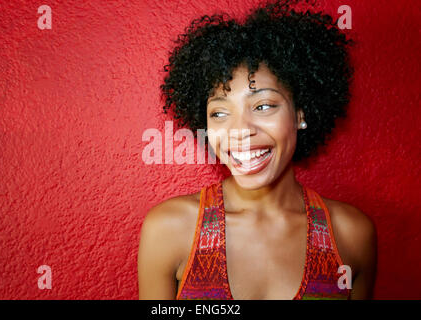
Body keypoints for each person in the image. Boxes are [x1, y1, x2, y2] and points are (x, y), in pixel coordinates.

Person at [138, 0, 377, 300]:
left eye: (263, 106)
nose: (240, 130)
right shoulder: (169, 229)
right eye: (220, 113)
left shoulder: (351, 234)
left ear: (301, 114)